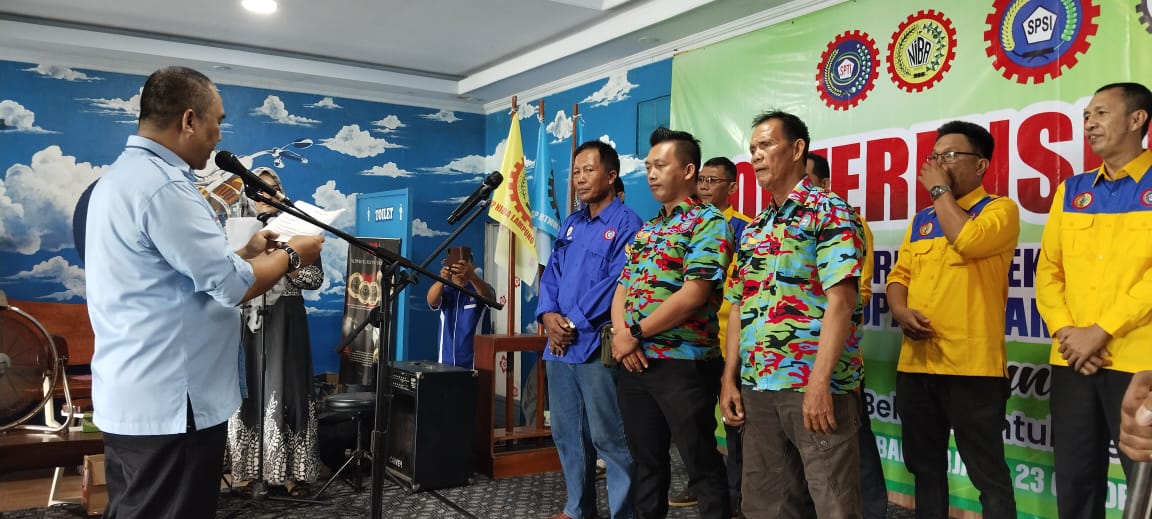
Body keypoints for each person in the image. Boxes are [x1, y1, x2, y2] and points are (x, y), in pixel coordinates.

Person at [84, 66, 324, 519]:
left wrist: (243, 251)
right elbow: (232, 285)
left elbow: (171, 270)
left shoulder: (122, 179)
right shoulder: (165, 186)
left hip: (140, 392)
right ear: (189, 120)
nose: (219, 135)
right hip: (173, 400)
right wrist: (294, 254)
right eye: (218, 120)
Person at [719, 110, 864, 518]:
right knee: (765, 503)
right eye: (752, 148)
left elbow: (842, 301)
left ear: (798, 149)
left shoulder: (829, 211)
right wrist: (730, 378)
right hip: (759, 386)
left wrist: (819, 383)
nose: (756, 155)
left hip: (814, 386)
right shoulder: (754, 229)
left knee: (834, 503)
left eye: (766, 145)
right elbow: (739, 306)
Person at [886, 121, 1019, 519]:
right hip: (917, 365)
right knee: (925, 468)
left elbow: (968, 240)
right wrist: (899, 310)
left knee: (988, 475)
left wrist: (939, 190)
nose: (939, 164)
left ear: (980, 165)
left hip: (972, 369)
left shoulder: (999, 210)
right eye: (935, 156)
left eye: (950, 156)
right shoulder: (922, 220)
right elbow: (899, 277)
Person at [1036, 81, 1152, 518]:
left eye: (1101, 113)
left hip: (1140, 362)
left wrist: (1100, 331)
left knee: (1145, 485)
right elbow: (1048, 270)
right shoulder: (1072, 190)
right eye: (1086, 115)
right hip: (1073, 359)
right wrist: (1068, 334)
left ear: (1137, 119)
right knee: (1075, 481)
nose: (1089, 123)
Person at [611, 127, 733, 519]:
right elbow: (622, 288)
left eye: (660, 165)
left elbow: (694, 294)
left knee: (700, 463)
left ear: (688, 170)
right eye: (648, 166)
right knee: (646, 462)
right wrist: (622, 337)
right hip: (635, 362)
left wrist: (634, 333)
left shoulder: (708, 222)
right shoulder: (647, 229)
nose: (651, 174)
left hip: (683, 363)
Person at [538, 140, 642, 519]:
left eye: (588, 170)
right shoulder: (571, 223)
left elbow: (618, 283)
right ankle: (578, 510)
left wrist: (572, 322)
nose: (579, 179)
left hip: (597, 344)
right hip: (559, 344)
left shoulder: (628, 224)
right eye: (576, 172)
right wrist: (548, 316)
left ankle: (623, 513)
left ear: (611, 176)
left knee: (609, 436)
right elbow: (552, 274)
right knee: (567, 434)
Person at [227, 167, 324, 497]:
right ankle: (247, 473)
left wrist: (285, 259)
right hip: (246, 320)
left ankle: (291, 473)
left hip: (286, 319)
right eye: (256, 190)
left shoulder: (298, 227)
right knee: (249, 388)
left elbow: (314, 280)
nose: (263, 196)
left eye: (269, 189)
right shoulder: (236, 229)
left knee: (288, 388)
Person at [668, 156, 752, 513]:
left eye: (712, 181)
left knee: (736, 422)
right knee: (697, 422)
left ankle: (736, 493)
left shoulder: (744, 228)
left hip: (734, 343)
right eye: (701, 180)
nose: (703, 187)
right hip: (696, 342)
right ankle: (701, 484)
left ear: (732, 187)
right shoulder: (686, 225)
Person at [806, 152, 887, 519]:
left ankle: (872, 511)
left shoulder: (847, 221)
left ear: (825, 184)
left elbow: (858, 293)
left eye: (806, 180)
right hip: (792, 364)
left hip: (837, 358)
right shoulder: (779, 225)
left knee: (854, 442)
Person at [425, 248, 493, 368]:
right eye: (455, 266)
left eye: (463, 266)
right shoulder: (445, 290)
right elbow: (431, 300)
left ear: (472, 266)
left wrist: (472, 276)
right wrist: (442, 279)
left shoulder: (479, 289)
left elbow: (490, 297)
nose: (459, 270)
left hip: (475, 366)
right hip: (445, 365)